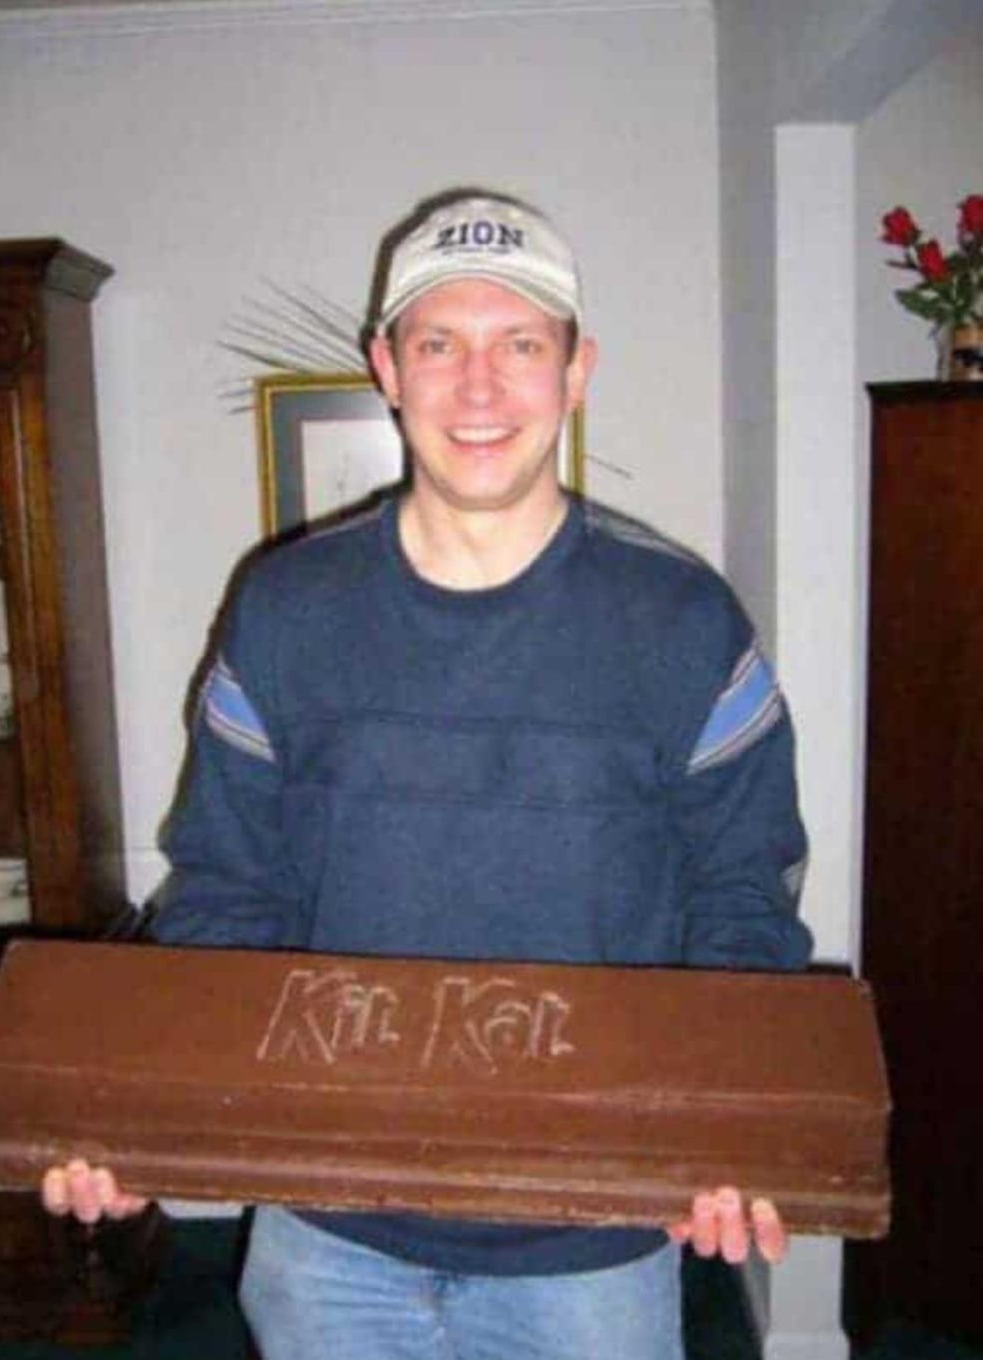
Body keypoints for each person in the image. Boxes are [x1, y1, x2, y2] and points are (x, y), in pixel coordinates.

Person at [43, 190, 813, 1360]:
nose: (480, 387)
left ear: (577, 370)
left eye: (521, 345)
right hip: (327, 1240)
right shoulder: (284, 611)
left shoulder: (683, 622)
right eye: (440, 344)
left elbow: (744, 900)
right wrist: (149, 1109)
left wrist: (726, 1123)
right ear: (387, 368)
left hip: (591, 1249)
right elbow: (224, 891)